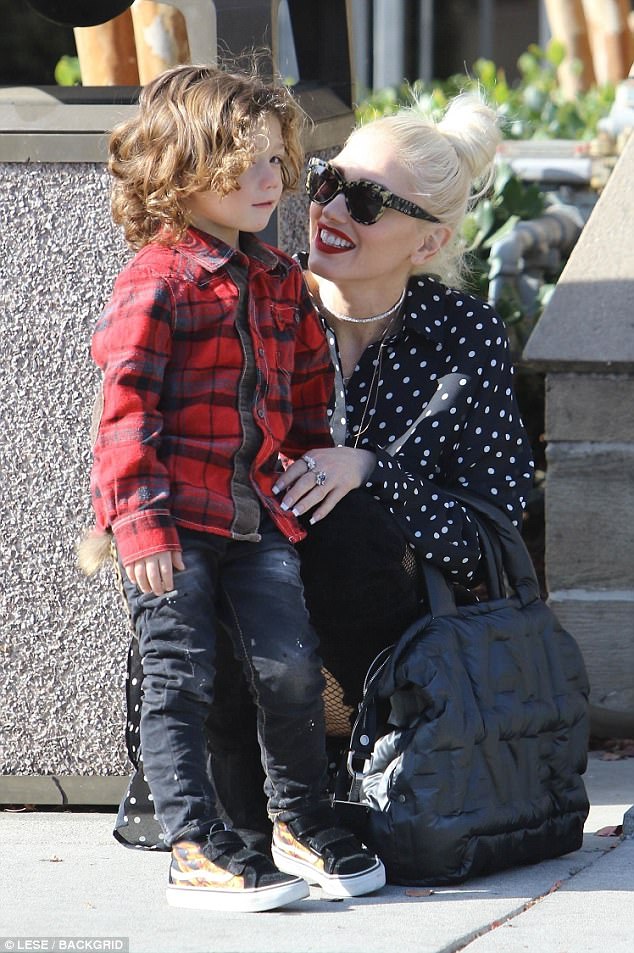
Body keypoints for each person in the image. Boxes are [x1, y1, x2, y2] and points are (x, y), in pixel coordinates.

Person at [115, 91, 535, 860]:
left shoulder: (461, 333)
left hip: (394, 653)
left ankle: (328, 793)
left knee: (345, 526)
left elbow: (494, 532)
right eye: (326, 180)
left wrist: (370, 471)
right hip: (243, 602)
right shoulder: (253, 292)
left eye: (368, 200)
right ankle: (222, 817)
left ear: (429, 238)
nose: (331, 206)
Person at [80, 63, 386, 912]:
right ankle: (192, 845)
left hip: (261, 522)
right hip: (172, 527)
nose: (271, 180)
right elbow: (124, 409)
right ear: (183, 169)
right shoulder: (158, 278)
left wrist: (313, 469)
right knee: (180, 679)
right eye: (244, 163)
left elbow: (305, 396)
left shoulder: (282, 279)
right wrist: (136, 523)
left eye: (277, 160)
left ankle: (298, 820)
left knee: (291, 666)